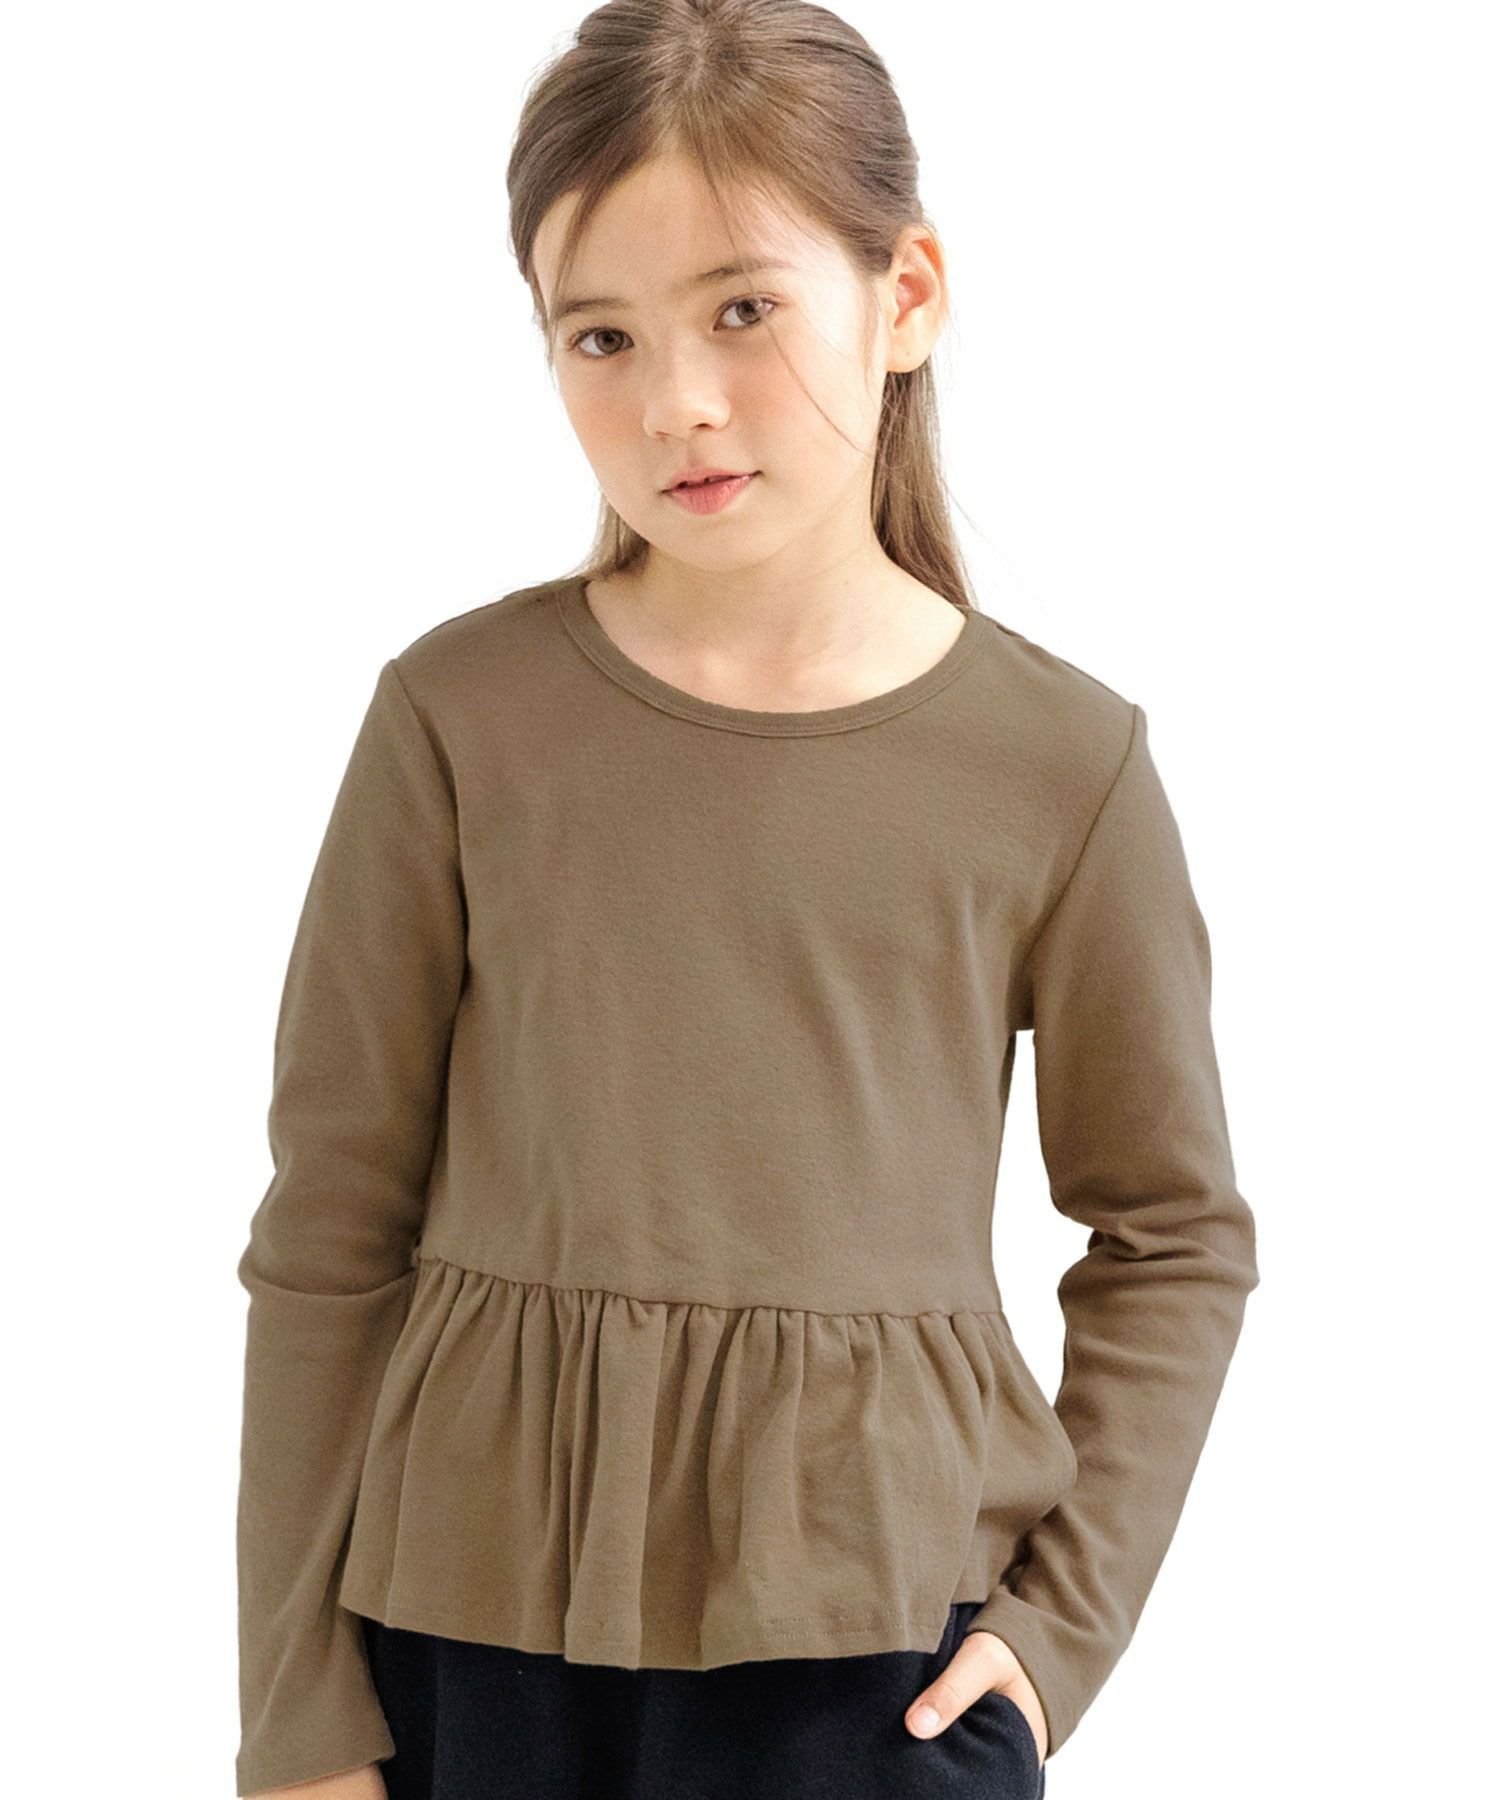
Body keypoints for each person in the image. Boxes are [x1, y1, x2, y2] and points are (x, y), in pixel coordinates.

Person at [233, 2, 1260, 1795]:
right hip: (473, 1640)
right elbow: (330, 1232)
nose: (675, 404)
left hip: (879, 1653)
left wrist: (1055, 1634)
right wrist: (296, 1714)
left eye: (742, 310)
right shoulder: (459, 722)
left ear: (906, 296)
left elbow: (1172, 1234)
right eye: (601, 336)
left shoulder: (1062, 766)